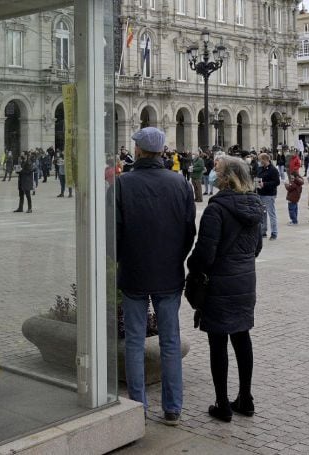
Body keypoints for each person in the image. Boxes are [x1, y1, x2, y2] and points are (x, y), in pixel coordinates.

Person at [115, 127, 196, 426]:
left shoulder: (123, 184)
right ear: (162, 151)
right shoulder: (180, 183)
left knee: (135, 341)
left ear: (137, 150)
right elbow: (190, 231)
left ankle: (138, 405)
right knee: (170, 340)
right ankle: (173, 407)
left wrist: (124, 259)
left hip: (134, 273)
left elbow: (114, 233)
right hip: (169, 274)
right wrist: (175, 257)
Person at [186, 155, 262, 423]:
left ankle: (222, 403)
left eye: (216, 171)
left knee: (218, 341)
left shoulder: (216, 209)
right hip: (244, 281)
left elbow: (205, 254)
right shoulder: (255, 206)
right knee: (242, 337)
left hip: (219, 283)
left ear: (227, 177)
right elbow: (256, 248)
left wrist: (191, 266)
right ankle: (246, 397)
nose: (212, 174)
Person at [255, 153, 280, 240]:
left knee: (271, 213)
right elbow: (257, 177)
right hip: (260, 193)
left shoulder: (273, 170)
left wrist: (264, 184)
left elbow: (277, 182)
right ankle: (263, 231)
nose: (259, 161)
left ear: (265, 159)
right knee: (262, 213)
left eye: (260, 159)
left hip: (269, 194)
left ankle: (274, 233)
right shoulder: (260, 168)